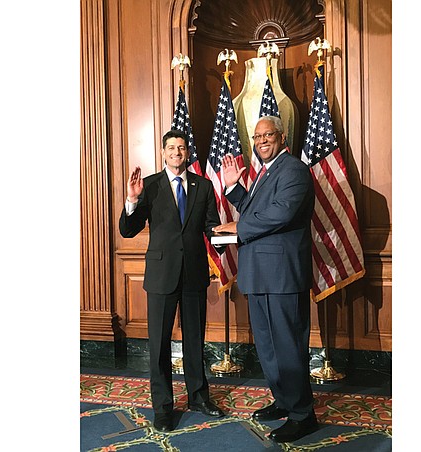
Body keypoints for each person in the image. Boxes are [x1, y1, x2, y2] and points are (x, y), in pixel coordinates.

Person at [213, 115, 317, 443]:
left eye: (267, 135)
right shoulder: (265, 172)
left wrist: (237, 227)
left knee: (287, 345)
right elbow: (257, 210)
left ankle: (303, 414)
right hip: (258, 274)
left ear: (282, 136)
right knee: (269, 347)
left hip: (283, 275)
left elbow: (281, 213)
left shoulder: (294, 171)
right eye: (257, 138)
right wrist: (233, 189)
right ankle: (285, 400)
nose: (261, 142)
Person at [119, 129, 225, 432]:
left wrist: (229, 236)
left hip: (193, 274)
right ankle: (163, 407)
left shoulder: (203, 186)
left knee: (194, 341)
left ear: (187, 152)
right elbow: (128, 230)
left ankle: (198, 397)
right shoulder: (147, 186)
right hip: (162, 275)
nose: (176, 152)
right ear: (163, 153)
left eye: (181, 147)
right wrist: (132, 199)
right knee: (159, 344)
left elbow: (211, 227)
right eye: (171, 148)